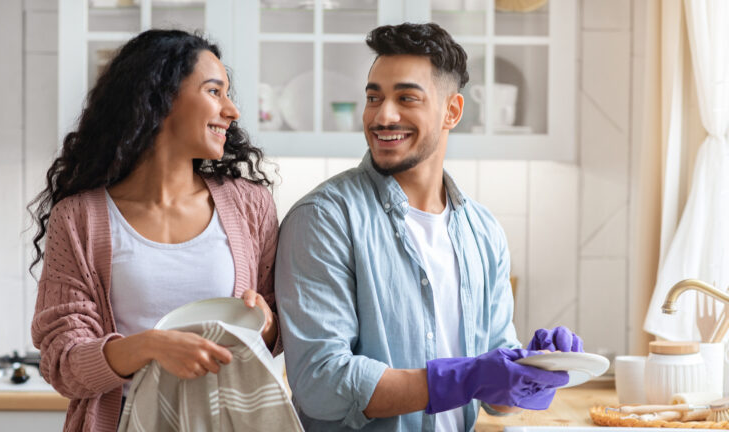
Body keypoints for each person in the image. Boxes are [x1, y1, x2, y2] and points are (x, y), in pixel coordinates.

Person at [275, 22, 583, 431]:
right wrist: (465, 376)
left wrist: (533, 370)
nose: (383, 115)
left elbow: (498, 401)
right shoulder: (325, 219)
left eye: (406, 98)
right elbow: (321, 383)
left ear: (451, 111)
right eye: (374, 97)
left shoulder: (483, 232)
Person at [29, 29, 281, 431]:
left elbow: (278, 332)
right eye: (215, 91)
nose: (232, 110)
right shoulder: (79, 218)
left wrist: (266, 324)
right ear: (159, 99)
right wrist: (149, 346)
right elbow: (63, 361)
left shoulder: (251, 205)